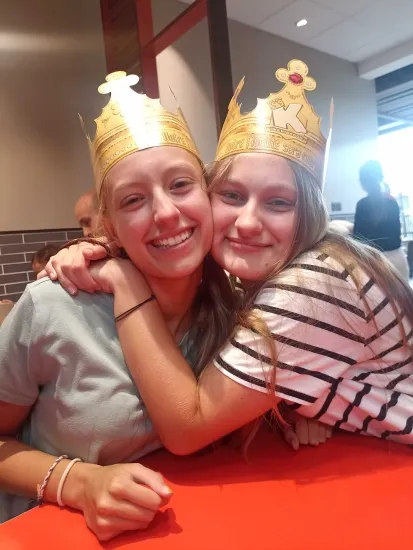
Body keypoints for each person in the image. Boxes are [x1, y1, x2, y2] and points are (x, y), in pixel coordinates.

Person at [0, 70, 322, 539]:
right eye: (133, 200)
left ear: (209, 197)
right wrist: (80, 483)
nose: (167, 213)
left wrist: (294, 414)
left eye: (180, 185)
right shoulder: (53, 304)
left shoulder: (235, 315)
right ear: (108, 226)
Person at [45, 60, 413, 457]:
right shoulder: (255, 279)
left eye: (278, 202)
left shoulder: (312, 284)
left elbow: (187, 429)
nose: (248, 222)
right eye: (232, 196)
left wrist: (125, 281)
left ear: (307, 214)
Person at [354, 160, 409, 280]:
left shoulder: (362, 205)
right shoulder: (392, 202)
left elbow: (357, 239)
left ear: (363, 182)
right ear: (380, 178)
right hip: (398, 260)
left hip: (374, 262)